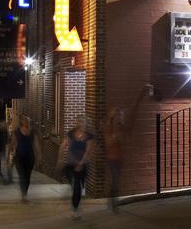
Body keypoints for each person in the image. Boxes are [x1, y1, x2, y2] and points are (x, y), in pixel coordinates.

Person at [104, 85, 150, 213]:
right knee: (116, 181)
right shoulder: (109, 128)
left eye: (121, 115)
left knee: (115, 181)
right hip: (112, 158)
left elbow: (126, 137)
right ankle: (114, 204)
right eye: (118, 115)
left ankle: (111, 201)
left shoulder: (121, 127)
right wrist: (116, 135)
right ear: (114, 117)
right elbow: (109, 142)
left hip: (119, 158)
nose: (120, 117)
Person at [57, 116, 94, 220]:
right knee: (76, 186)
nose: (80, 123)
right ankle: (75, 210)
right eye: (79, 121)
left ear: (85, 124)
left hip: (82, 166)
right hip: (70, 165)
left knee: (80, 187)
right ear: (76, 122)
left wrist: (81, 164)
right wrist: (60, 160)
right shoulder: (71, 134)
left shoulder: (89, 137)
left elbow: (88, 152)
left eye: (82, 122)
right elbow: (63, 145)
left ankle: (76, 203)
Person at [10, 116, 41, 203]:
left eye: (28, 120)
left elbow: (36, 144)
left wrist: (39, 156)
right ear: (22, 122)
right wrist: (9, 156)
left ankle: (25, 193)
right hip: (19, 157)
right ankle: (23, 195)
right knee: (22, 176)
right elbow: (12, 144)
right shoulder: (16, 132)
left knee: (27, 176)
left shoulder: (33, 132)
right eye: (25, 120)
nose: (27, 121)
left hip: (30, 157)